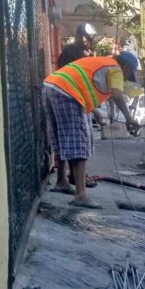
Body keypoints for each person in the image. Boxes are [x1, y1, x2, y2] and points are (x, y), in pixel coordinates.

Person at [42, 52, 140, 208]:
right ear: (126, 66)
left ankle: (61, 181)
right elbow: (116, 94)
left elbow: (84, 84)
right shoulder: (116, 69)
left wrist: (94, 112)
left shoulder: (101, 62)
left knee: (62, 138)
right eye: (129, 75)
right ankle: (81, 195)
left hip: (51, 87)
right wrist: (129, 118)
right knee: (79, 144)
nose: (127, 79)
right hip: (67, 93)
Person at [54, 22, 104, 189]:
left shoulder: (76, 52)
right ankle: (76, 178)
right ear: (80, 35)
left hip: (69, 98)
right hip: (71, 99)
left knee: (66, 139)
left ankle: (64, 178)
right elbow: (78, 83)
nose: (89, 41)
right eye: (87, 38)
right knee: (77, 142)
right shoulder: (73, 54)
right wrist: (94, 108)